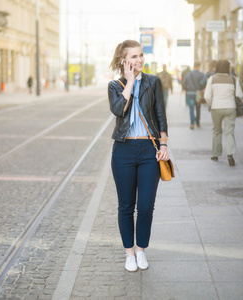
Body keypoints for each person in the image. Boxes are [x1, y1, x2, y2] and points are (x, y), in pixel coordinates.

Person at [108, 40, 169, 272]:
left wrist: (163, 143)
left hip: (148, 150)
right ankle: (129, 253)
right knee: (125, 206)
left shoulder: (153, 82)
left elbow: (160, 113)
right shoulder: (115, 85)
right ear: (124, 61)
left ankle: (141, 250)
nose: (139, 60)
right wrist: (131, 81)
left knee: (145, 206)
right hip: (123, 150)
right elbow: (118, 109)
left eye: (141, 55)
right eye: (133, 57)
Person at [204, 60, 243, 166]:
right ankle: (230, 154)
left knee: (217, 131)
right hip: (230, 108)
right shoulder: (234, 79)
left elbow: (207, 96)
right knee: (229, 132)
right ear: (228, 68)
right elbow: (239, 95)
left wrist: (213, 103)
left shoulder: (212, 79)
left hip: (216, 108)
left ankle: (216, 154)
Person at [182, 62, 204, 129]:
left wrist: (186, 90)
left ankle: (192, 123)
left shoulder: (188, 74)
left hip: (191, 92)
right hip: (198, 93)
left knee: (191, 108)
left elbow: (184, 83)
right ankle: (198, 123)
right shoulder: (201, 74)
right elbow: (203, 83)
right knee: (198, 108)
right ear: (199, 66)